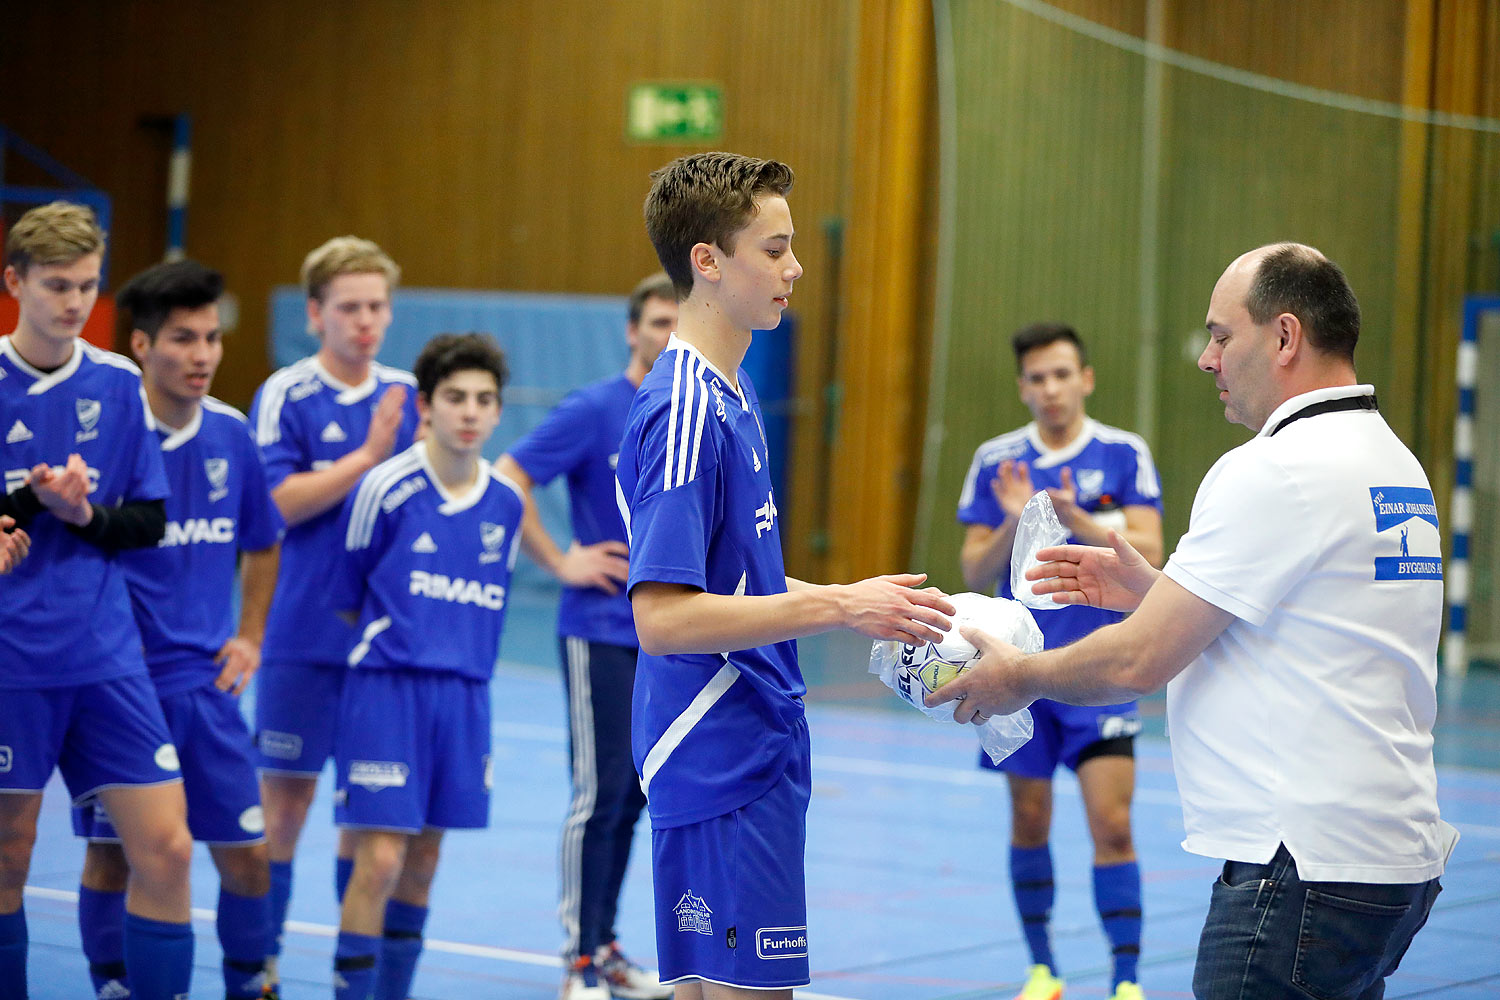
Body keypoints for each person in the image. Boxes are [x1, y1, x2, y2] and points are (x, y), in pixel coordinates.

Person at [932, 243, 1458, 1000]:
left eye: (1221, 335)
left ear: (1284, 338)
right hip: (1385, 860)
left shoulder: (1272, 467)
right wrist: (1162, 590)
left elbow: (1136, 664)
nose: (1208, 359)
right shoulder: (1391, 460)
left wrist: (1017, 678)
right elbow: (1308, 621)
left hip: (1298, 865)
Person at [618, 151, 955, 1000]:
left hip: (745, 743)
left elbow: (739, 584)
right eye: (774, 249)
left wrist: (861, 605)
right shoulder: (689, 408)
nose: (794, 268)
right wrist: (841, 602)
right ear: (707, 261)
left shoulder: (731, 394)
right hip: (720, 747)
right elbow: (662, 617)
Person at [69, 259, 285, 1000]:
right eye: (184, 339)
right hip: (121, 688)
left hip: (207, 687)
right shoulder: (103, 441)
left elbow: (263, 539)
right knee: (116, 860)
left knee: (247, 859)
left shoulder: (232, 434)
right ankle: (113, 984)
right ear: (140, 345)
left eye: (212, 338)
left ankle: (250, 982)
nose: (202, 356)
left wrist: (250, 633)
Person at [0, 202, 196, 1000]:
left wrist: (83, 513)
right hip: (13, 655)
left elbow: (146, 522)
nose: (75, 302)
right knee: (11, 854)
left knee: (168, 849)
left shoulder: (117, 382)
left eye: (87, 285)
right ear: (14, 282)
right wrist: (28, 503)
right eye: (56, 285)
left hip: (105, 654)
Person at [956, 323, 1162, 1000]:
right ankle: (1043, 970)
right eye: (1037, 378)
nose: (1050, 389)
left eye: (1061, 375)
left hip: (1100, 670)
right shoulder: (997, 460)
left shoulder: (1122, 454)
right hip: (1016, 676)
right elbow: (973, 564)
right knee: (1030, 817)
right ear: (1023, 387)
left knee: (1111, 821)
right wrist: (1017, 519)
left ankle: (1126, 980)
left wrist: (1073, 516)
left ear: (1086, 379)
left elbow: (1152, 551)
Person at [497, 272, 677, 1000]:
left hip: (664, 637)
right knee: (599, 792)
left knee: (635, 797)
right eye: (657, 323)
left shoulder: (687, 413)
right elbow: (509, 476)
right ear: (633, 331)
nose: (669, 335)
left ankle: (603, 949)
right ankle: (576, 961)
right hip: (599, 630)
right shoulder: (595, 408)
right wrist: (561, 559)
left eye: (678, 323)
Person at [327, 332, 521, 1000]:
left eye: (484, 400)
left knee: (424, 862)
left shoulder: (508, 504)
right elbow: (345, 595)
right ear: (427, 407)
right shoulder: (386, 487)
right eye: (456, 397)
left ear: (498, 412)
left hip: (465, 698)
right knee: (380, 858)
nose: (470, 411)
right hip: (388, 689)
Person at [249, 236, 420, 986]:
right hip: (301, 637)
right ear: (315, 314)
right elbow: (272, 507)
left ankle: (351, 980)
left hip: (383, 650)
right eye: (349, 308)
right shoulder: (288, 393)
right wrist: (367, 457)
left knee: (367, 822)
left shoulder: (411, 392)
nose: (365, 322)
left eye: (376, 307)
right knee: (282, 815)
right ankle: (260, 964)